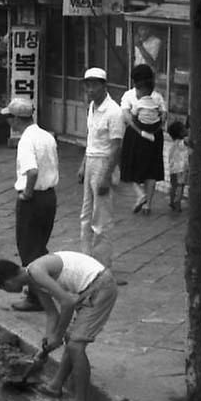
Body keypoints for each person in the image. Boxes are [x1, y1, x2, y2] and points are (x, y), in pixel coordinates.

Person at [0, 250, 118, 401]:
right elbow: (52, 314)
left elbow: (67, 303)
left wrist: (56, 336)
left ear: (7, 284)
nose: (6, 292)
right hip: (87, 292)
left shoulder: (36, 272)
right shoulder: (33, 280)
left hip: (101, 286)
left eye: (3, 289)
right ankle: (55, 386)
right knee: (70, 339)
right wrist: (46, 346)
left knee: (75, 346)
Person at [1, 97, 59, 311]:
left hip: (33, 199)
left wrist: (26, 193)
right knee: (39, 246)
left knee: (29, 250)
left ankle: (36, 297)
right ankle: (41, 291)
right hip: (49, 197)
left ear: (17, 119)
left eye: (10, 118)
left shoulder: (26, 140)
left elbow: (32, 171)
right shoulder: (46, 136)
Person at [79, 66, 124, 268]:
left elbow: (116, 147)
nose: (90, 90)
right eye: (87, 85)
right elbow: (90, 139)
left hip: (104, 163)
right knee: (86, 215)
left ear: (104, 86)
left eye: (94, 85)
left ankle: (102, 265)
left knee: (101, 219)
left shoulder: (114, 111)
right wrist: (83, 165)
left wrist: (106, 177)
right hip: (91, 160)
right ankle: (87, 260)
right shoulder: (92, 107)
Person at [120, 62, 167, 215]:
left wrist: (139, 131)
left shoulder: (129, 95)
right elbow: (164, 116)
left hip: (135, 137)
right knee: (151, 169)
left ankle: (140, 194)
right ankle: (148, 205)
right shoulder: (157, 96)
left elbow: (127, 117)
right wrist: (155, 129)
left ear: (134, 81)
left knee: (128, 166)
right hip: (155, 136)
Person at [165, 119, 188, 212]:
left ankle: (171, 201)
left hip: (172, 168)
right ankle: (178, 202)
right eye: (184, 129)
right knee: (180, 185)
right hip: (181, 168)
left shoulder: (172, 145)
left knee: (173, 185)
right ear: (181, 132)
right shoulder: (183, 142)